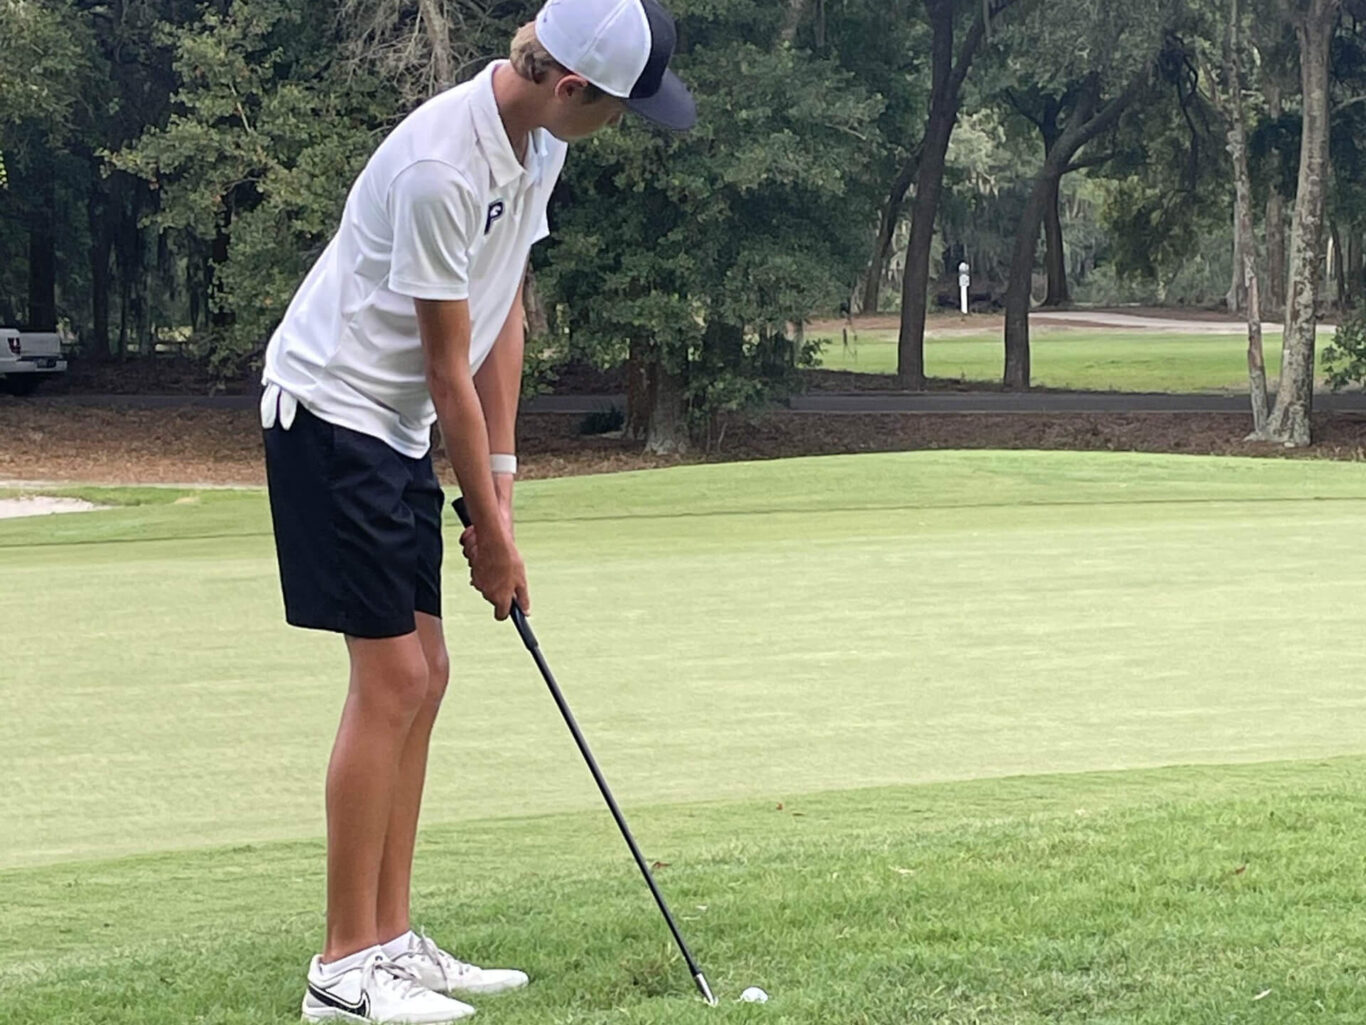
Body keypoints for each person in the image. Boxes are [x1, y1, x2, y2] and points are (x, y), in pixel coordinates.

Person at [257, 1, 695, 1020]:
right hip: (332, 413)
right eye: (621, 108)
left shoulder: (538, 140)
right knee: (396, 673)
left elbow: (504, 307)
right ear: (571, 86)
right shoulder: (439, 168)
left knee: (431, 670)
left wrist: (499, 476)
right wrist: (491, 542)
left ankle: (393, 940)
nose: (623, 125)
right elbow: (447, 367)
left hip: (396, 419)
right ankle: (342, 967)